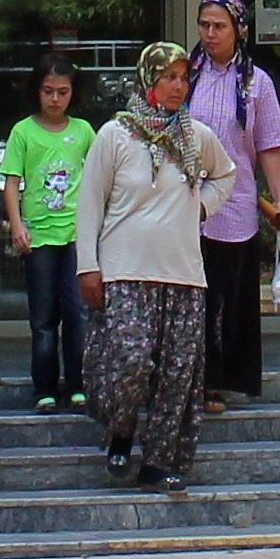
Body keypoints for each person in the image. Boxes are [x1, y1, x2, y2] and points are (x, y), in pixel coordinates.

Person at [74, 40, 239, 490]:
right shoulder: (116, 135)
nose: (177, 86)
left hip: (183, 274)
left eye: (184, 77)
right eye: (168, 76)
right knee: (131, 362)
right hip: (126, 271)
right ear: (148, 80)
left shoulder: (196, 136)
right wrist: (88, 266)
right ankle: (122, 431)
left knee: (177, 375)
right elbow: (89, 204)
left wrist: (202, 207)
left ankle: (160, 461)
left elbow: (227, 174)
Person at [183, 0, 280, 403]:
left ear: (239, 30)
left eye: (219, 26)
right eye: (204, 25)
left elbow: (269, 143)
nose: (210, 34)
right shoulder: (185, 74)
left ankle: (225, 379)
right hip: (186, 205)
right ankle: (194, 378)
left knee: (228, 299)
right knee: (194, 298)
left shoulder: (255, 82)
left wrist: (277, 200)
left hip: (236, 204)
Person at [0, 60, 95, 410]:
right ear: (37, 91)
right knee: (42, 317)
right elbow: (10, 183)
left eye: (62, 92)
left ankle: (79, 383)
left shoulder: (84, 131)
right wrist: (17, 225)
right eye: (48, 91)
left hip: (75, 235)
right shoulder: (23, 131)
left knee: (77, 312)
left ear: (73, 93)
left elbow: (98, 179)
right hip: (38, 236)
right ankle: (45, 388)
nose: (55, 99)